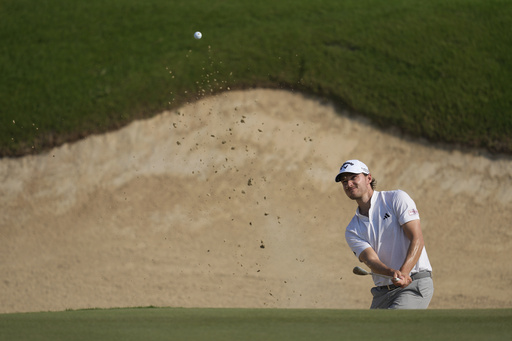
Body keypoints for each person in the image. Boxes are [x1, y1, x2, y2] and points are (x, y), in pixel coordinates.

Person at [335, 159, 434, 309]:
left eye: (354, 177)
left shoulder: (396, 199)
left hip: (412, 284)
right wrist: (392, 273)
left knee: (393, 328)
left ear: (368, 178)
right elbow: (371, 260)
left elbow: (417, 239)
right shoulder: (352, 229)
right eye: (344, 181)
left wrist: (404, 273)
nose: (348, 184)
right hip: (382, 293)